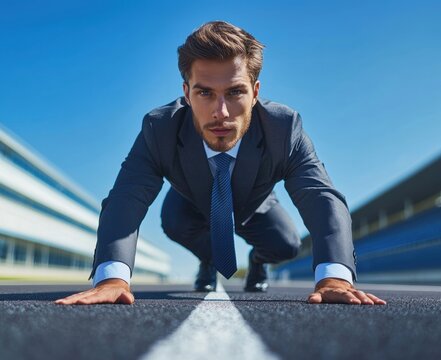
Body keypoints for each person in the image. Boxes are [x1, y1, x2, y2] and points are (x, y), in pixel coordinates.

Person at [55, 21, 386, 306]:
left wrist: (334, 277)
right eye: (205, 93)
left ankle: (257, 261)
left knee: (286, 245)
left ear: (255, 92)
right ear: (186, 93)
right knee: (173, 221)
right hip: (189, 205)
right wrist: (111, 278)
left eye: (235, 92)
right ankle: (209, 259)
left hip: (256, 205)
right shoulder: (160, 128)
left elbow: (320, 196)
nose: (221, 113)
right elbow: (127, 196)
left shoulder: (283, 129)